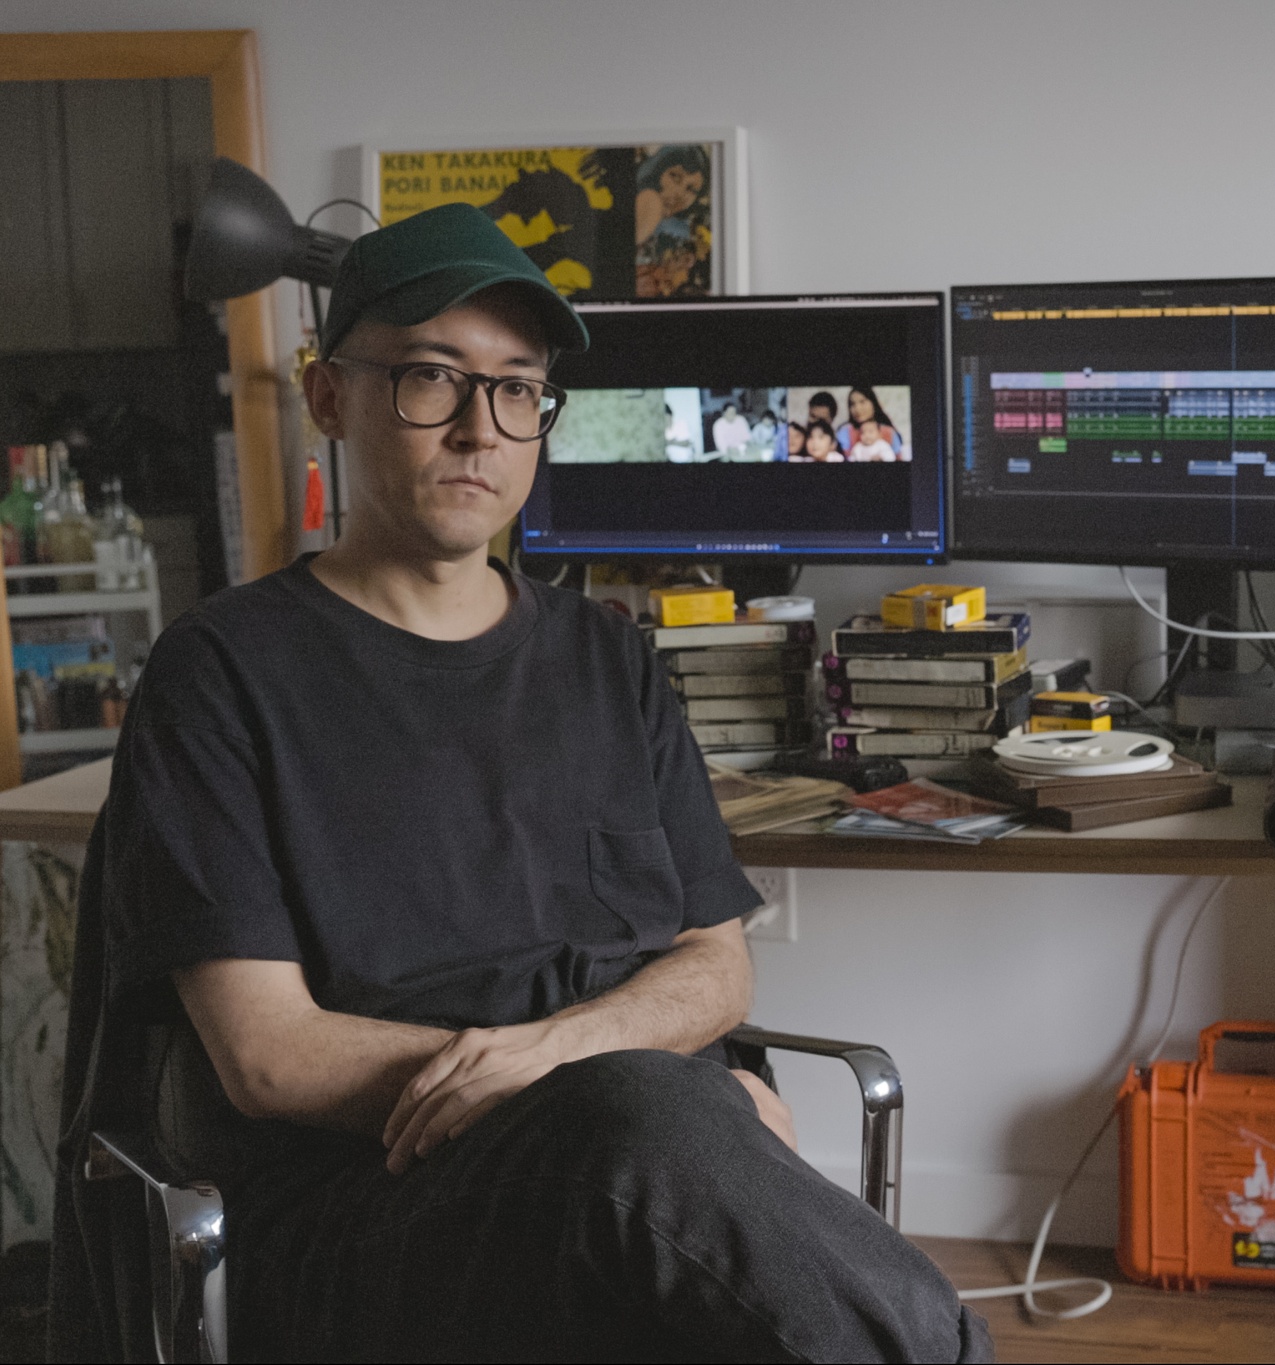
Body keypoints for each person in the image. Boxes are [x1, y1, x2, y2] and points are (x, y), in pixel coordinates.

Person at [84, 202, 990, 1362]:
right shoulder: (221, 676)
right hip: (375, 1216)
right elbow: (269, 1057)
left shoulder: (608, 657)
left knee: (680, 1169)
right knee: (662, 1127)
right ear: (328, 398)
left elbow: (715, 961)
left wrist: (596, 1076)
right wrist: (627, 1098)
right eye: (430, 378)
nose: (480, 429)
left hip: (643, 1182)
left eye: (517, 389)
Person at [837, 385, 903, 456]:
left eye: (862, 402)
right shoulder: (844, 432)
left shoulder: (889, 432)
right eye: (853, 404)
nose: (857, 409)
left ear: (873, 404)